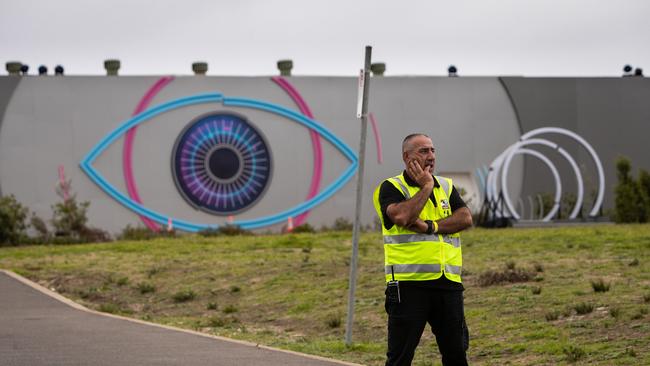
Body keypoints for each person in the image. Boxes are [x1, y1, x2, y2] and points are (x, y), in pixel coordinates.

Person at [372, 133, 473, 366]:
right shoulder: (391, 187)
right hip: (409, 285)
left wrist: (431, 226)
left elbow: (465, 218)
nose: (431, 156)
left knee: (457, 355)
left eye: (433, 151)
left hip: (447, 284)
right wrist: (426, 186)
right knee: (400, 358)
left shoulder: (446, 186)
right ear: (407, 157)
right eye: (423, 151)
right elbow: (404, 216)